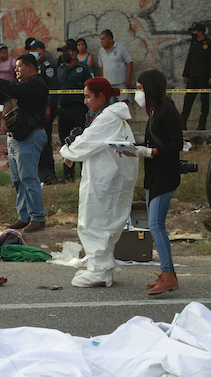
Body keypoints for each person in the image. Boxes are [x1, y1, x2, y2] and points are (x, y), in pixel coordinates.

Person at [59, 77, 138, 288]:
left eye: (87, 96)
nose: (85, 101)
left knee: (94, 223)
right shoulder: (112, 117)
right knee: (104, 223)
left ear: (100, 96)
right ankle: (104, 266)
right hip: (108, 179)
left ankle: (99, 270)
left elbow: (86, 143)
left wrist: (66, 150)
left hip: (104, 181)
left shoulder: (109, 118)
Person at [0, 53, 48, 233]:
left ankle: (38, 217)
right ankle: (24, 217)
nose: (15, 70)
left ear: (31, 67)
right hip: (16, 136)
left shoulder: (36, 84)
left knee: (29, 178)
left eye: (19, 66)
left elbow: (12, 90)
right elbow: (3, 97)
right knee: (18, 180)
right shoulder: (21, 86)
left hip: (30, 136)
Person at [128, 69, 184, 295]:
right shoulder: (154, 111)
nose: (137, 93)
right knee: (156, 225)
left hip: (164, 176)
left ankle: (168, 274)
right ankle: (167, 273)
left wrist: (150, 151)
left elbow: (176, 144)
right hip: (154, 176)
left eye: (140, 88)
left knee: (156, 226)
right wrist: (134, 150)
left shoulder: (167, 111)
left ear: (150, 88)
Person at [56, 39, 94, 181]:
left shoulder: (83, 69)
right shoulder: (59, 70)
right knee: (65, 141)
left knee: (81, 140)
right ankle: (68, 174)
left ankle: (84, 172)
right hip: (63, 110)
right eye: (63, 52)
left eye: (67, 52)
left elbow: (91, 87)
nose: (64, 54)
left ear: (75, 53)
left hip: (79, 109)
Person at [26, 39, 59, 185]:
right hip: (34, 111)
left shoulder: (48, 67)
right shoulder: (31, 66)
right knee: (35, 142)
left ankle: (49, 173)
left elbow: (52, 90)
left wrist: (49, 108)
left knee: (45, 142)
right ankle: (39, 173)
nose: (32, 52)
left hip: (45, 110)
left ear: (42, 50)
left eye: (35, 49)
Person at [181, 22, 211, 131]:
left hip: (204, 77)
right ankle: (183, 123)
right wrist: (185, 74)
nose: (193, 33)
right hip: (192, 77)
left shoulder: (208, 44)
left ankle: (202, 124)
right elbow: (189, 60)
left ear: (200, 32)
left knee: (204, 101)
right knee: (188, 100)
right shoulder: (193, 44)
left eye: (195, 31)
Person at [98, 30, 133, 103]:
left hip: (121, 83)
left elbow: (129, 62)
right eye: (100, 39)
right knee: (109, 106)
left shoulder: (120, 48)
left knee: (124, 104)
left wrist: (128, 78)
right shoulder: (101, 51)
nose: (101, 41)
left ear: (110, 39)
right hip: (108, 85)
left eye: (103, 39)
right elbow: (101, 67)